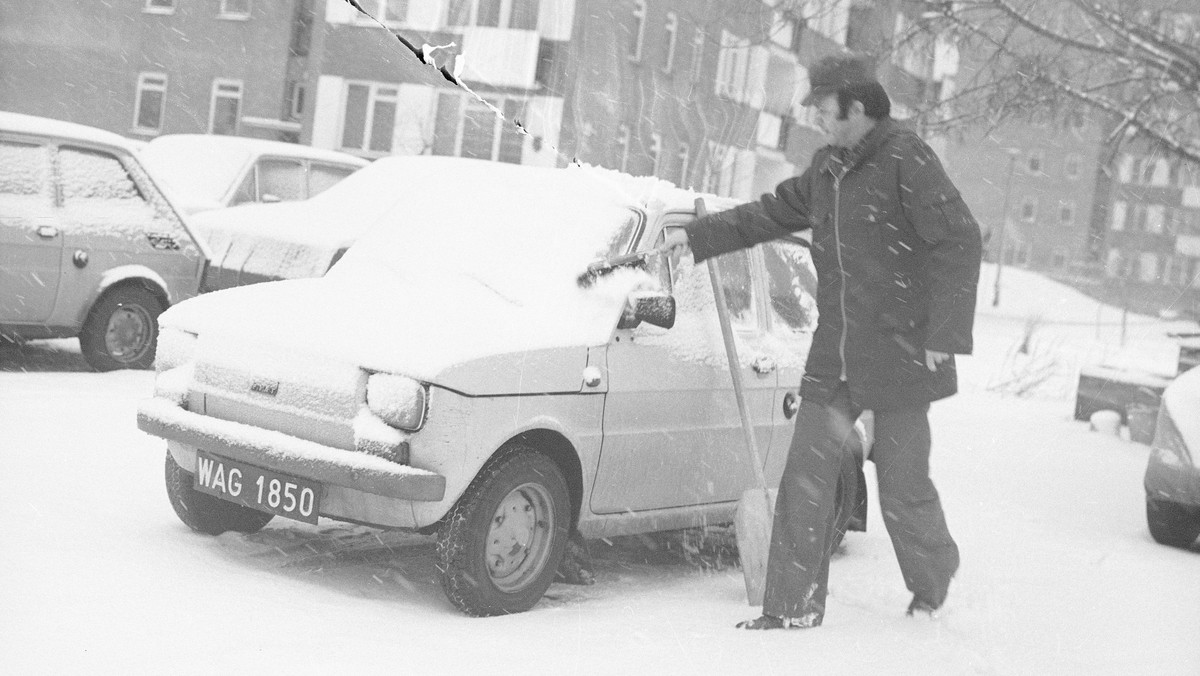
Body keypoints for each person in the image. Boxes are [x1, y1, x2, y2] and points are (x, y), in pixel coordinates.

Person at [661, 54, 982, 630]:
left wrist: (945, 334)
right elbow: (772, 212)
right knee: (804, 482)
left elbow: (957, 241)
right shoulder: (827, 168)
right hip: (836, 353)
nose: (820, 121)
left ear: (857, 107)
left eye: (826, 109)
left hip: (902, 351)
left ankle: (932, 582)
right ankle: (791, 607)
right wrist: (698, 237)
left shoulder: (906, 158)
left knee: (902, 487)